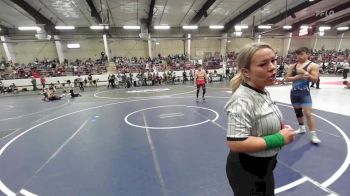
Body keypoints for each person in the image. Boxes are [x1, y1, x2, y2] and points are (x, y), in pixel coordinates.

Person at [224, 42, 296, 196]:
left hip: (265, 168)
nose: (272, 67)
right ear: (246, 72)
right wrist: (278, 138)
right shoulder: (242, 100)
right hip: (247, 172)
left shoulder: (261, 91)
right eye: (263, 64)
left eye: (273, 60)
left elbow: (259, 122)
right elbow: (236, 143)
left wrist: (279, 126)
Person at [285, 47, 321, 144]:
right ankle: (301, 128)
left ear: (307, 54)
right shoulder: (292, 66)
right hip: (294, 92)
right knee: (298, 112)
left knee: (308, 113)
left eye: (301, 54)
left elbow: (315, 80)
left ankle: (314, 135)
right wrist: (297, 77)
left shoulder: (313, 65)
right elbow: (287, 78)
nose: (299, 56)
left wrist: (305, 73)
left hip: (305, 93)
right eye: (297, 54)